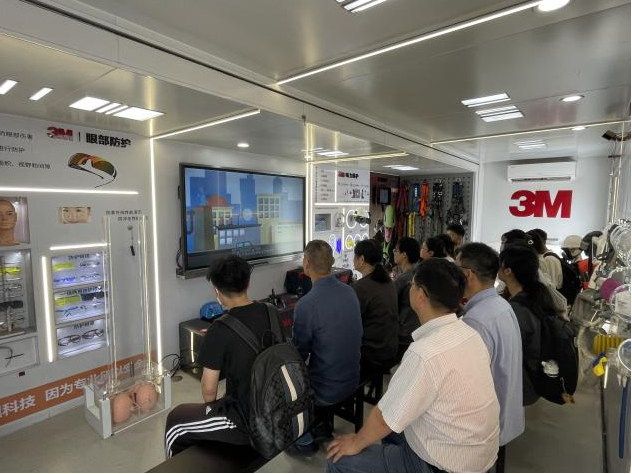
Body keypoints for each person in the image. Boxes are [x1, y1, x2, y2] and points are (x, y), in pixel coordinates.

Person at [326, 259, 500, 473]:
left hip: (442, 466)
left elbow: (384, 419)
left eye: (413, 284)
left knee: (338, 460)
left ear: (421, 295)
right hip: (478, 456)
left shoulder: (424, 354)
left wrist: (356, 442)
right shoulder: (470, 334)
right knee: (393, 431)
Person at [164, 256, 276, 457]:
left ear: (217, 292)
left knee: (175, 422)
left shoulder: (219, 328)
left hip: (247, 421)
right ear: (248, 283)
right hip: (276, 405)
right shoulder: (271, 310)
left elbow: (209, 392)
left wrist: (214, 411)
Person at [290, 240, 363, 455]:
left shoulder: (306, 305)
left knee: (285, 377)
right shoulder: (349, 291)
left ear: (306, 265)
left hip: (326, 390)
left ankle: (303, 437)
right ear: (331, 263)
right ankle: (320, 424)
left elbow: (298, 354)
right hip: (352, 378)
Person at [456, 243, 525, 447]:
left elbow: (467, 385)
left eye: (455, 269)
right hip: (508, 415)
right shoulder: (502, 306)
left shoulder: (476, 321)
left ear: (467, 275)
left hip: (486, 429)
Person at [498, 243, 560, 406]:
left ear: (508, 271)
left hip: (523, 385)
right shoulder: (538, 296)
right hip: (536, 378)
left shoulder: (517, 309)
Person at [353, 239, 399, 379]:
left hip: (372, 355)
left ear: (361, 259)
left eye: (355, 256)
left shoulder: (361, 287)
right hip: (389, 349)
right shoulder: (387, 281)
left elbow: (349, 323)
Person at [501, 229, 569, 320]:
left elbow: (554, 285)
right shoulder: (531, 294)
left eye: (503, 241)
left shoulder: (545, 261)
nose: (501, 245)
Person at [392, 237, 421, 361]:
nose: (394, 252)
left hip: (404, 333)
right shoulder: (420, 271)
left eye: (396, 250)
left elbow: (391, 305)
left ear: (404, 254)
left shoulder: (403, 280)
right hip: (418, 329)